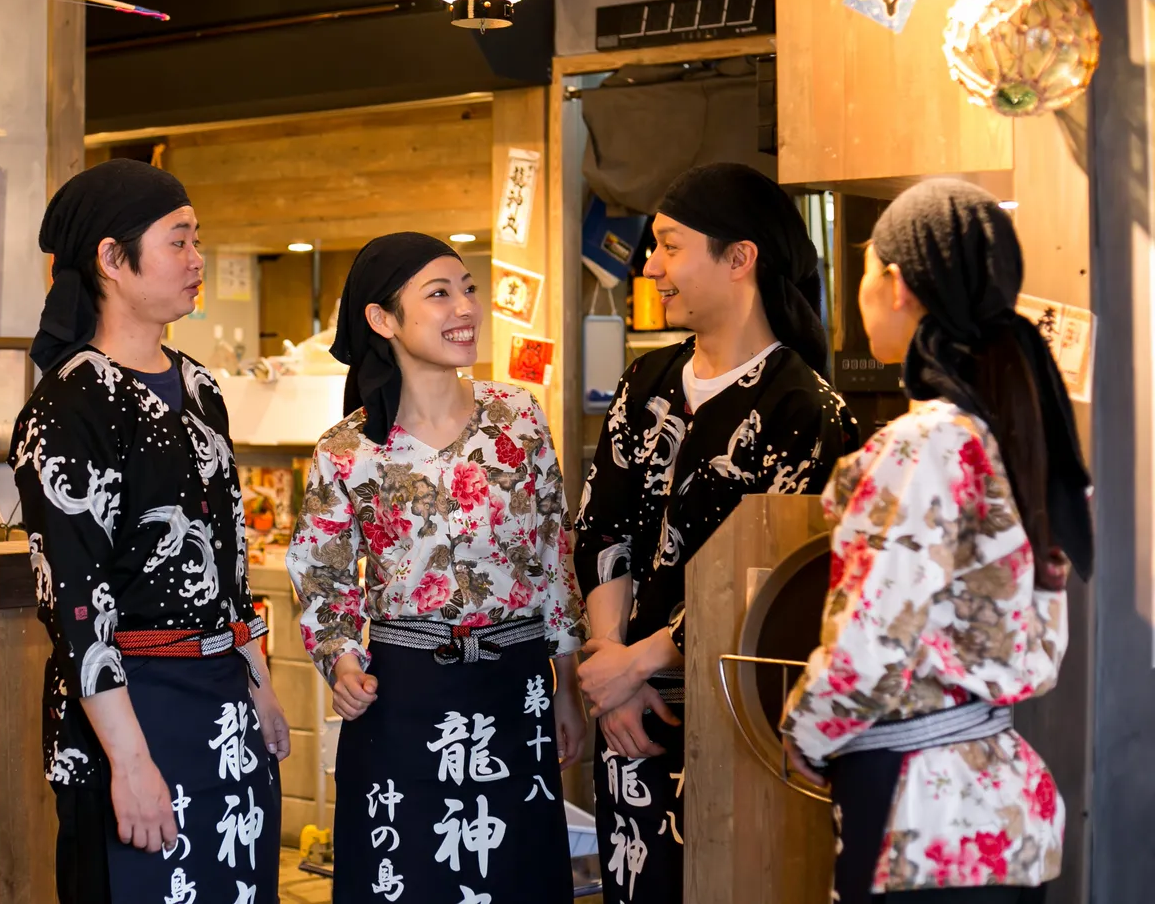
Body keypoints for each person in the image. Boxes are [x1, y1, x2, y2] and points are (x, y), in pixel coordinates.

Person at [780, 179, 1092, 904]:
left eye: (862, 271)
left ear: (894, 283)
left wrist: (807, 730)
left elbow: (874, 636)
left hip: (921, 820)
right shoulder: (1013, 431)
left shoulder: (926, 442)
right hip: (1003, 810)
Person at [572, 163, 860, 904]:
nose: (651, 266)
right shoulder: (644, 383)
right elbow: (602, 526)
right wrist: (612, 670)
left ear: (740, 258)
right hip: (626, 715)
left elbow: (773, 580)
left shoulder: (809, 411)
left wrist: (640, 662)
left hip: (736, 715)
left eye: (669, 246)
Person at [11, 159, 289, 904]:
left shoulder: (201, 385)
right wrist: (129, 762)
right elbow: (75, 604)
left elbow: (228, 557)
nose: (198, 260)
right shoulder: (67, 406)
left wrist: (259, 679)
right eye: (178, 240)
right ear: (111, 258)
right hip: (127, 713)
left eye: (197, 238)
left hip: (222, 700)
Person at [286, 232, 587, 904]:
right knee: (407, 879)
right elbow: (323, 575)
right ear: (382, 318)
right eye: (439, 293)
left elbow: (552, 555)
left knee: (516, 876)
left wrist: (566, 681)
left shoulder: (519, 418)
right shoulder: (346, 450)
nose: (465, 308)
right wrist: (339, 660)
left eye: (468, 288)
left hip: (516, 688)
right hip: (403, 696)